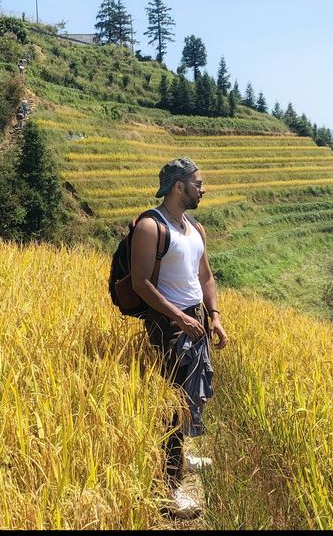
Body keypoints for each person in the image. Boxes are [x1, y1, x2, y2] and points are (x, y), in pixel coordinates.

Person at [130, 156, 229, 520]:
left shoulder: (195, 228)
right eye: (198, 183)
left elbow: (206, 277)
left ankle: (180, 458)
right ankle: (168, 492)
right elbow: (141, 284)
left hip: (195, 321)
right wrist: (179, 317)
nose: (202, 189)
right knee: (170, 409)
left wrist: (213, 316)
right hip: (168, 326)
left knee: (188, 400)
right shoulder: (150, 227)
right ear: (178, 186)